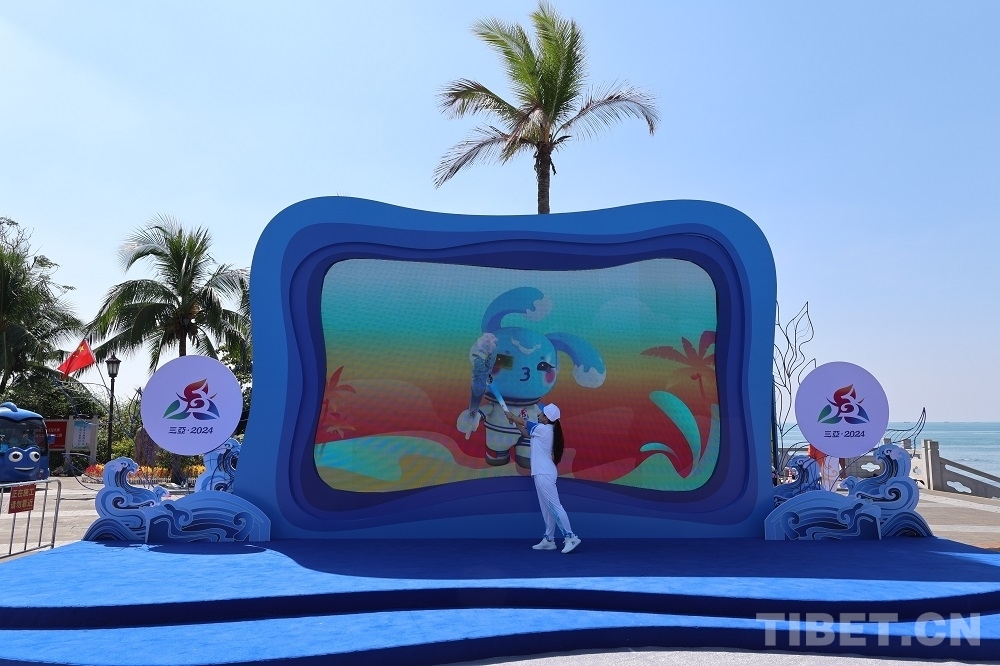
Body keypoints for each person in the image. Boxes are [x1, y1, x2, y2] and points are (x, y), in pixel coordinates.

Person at [505, 403, 581, 554]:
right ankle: (549, 540)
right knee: (547, 508)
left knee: (554, 506)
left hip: (544, 473)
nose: (539, 414)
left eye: (541, 413)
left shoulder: (543, 429)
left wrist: (512, 416)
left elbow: (525, 423)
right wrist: (514, 421)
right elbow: (525, 432)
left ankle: (571, 537)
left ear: (546, 418)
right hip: (541, 473)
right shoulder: (543, 430)